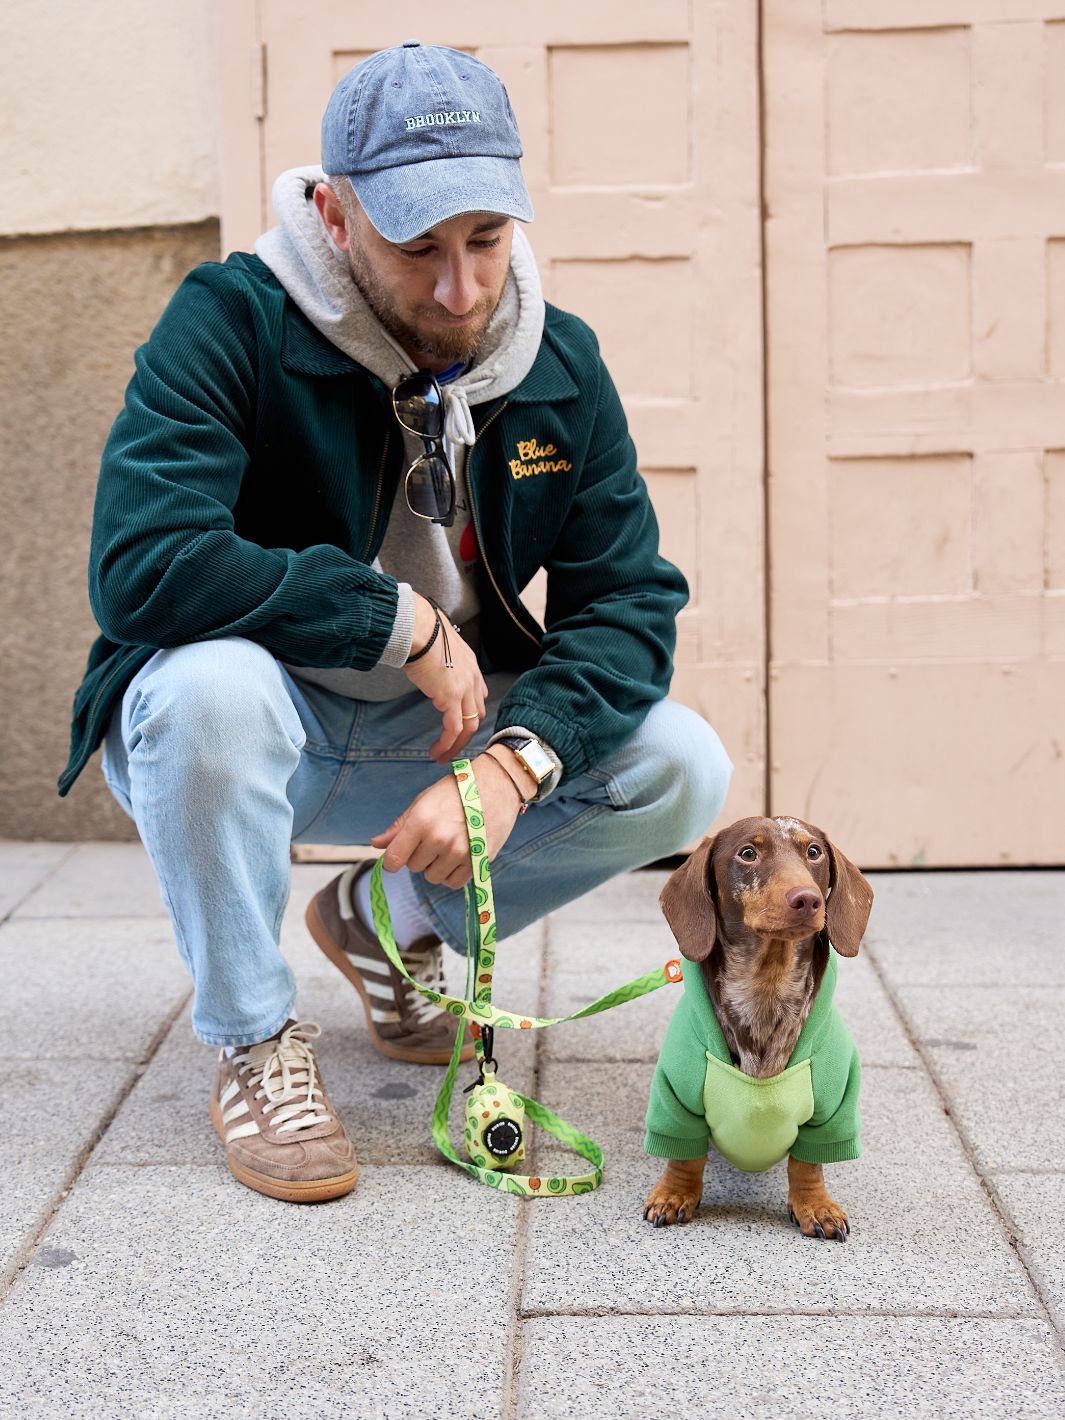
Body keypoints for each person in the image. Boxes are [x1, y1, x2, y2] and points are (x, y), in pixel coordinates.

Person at [58, 41, 734, 1203]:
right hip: (252, 722)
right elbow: (142, 563)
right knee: (205, 690)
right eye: (418, 247)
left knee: (681, 764)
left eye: (486, 239)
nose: (460, 288)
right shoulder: (231, 321)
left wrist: (518, 767)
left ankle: (386, 918)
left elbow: (628, 601)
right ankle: (254, 1037)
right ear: (334, 210)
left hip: (438, 742)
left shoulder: (557, 362)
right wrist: (392, 618)